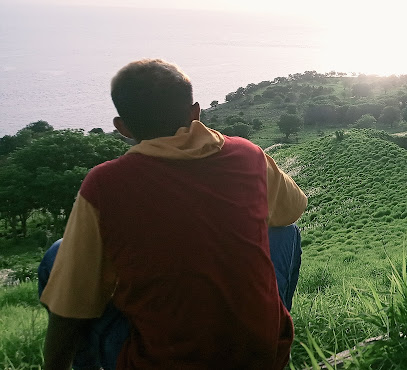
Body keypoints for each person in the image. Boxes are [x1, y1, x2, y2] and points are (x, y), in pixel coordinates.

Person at [38, 59, 307, 369]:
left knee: (57, 257)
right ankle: (268, 324)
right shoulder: (248, 154)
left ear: (122, 127)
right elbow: (293, 208)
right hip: (262, 357)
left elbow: (69, 305)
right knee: (285, 230)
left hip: (162, 361)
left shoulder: (105, 183)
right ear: (195, 112)